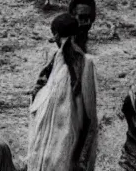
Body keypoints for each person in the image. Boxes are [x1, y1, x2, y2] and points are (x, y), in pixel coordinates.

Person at [26, 13, 97, 171]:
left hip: (66, 144)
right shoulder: (54, 60)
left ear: (56, 36)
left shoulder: (84, 64)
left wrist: (79, 155)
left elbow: (86, 115)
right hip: (47, 144)